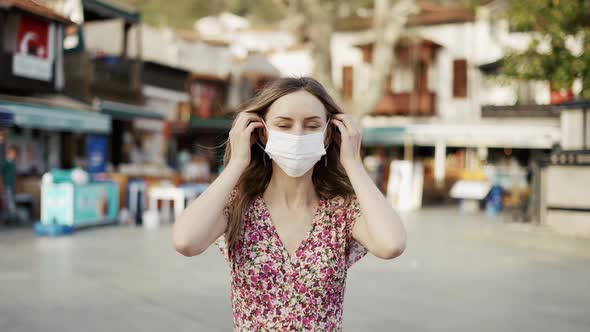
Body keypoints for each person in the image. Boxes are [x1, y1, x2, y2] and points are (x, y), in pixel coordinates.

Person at [172, 77, 406, 331]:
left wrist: (353, 163)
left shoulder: (341, 210)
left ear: (329, 133)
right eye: (284, 125)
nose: (297, 135)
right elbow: (186, 241)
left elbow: (391, 244)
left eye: (311, 125)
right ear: (261, 131)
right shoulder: (239, 203)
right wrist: (237, 162)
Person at [1, 146, 17, 224]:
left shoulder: (13, 163)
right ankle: (10, 219)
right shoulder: (6, 163)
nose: (14, 155)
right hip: (7, 185)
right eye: (13, 154)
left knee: (11, 202)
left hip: (12, 185)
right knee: (9, 203)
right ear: (9, 154)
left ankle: (10, 219)